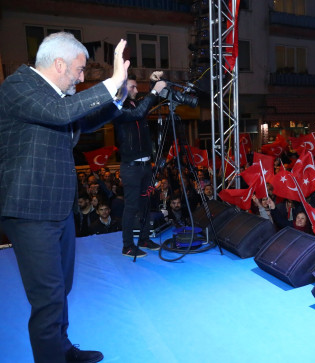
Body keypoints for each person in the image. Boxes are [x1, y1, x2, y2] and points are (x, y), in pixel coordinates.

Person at [0, 32, 129, 363]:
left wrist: (116, 97)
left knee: (61, 289)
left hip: (57, 208)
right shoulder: (19, 86)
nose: (82, 76)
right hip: (29, 210)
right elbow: (61, 114)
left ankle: (61, 350)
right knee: (48, 297)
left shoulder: (54, 98)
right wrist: (111, 82)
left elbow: (80, 119)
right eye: (79, 69)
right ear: (59, 63)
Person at [113, 72, 167, 258]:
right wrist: (153, 93)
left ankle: (144, 238)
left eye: (137, 86)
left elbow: (146, 103)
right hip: (131, 167)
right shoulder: (118, 106)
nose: (136, 90)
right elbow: (139, 112)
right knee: (131, 207)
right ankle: (127, 246)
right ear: (122, 88)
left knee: (145, 204)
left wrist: (153, 82)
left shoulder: (138, 104)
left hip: (145, 165)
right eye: (132, 87)